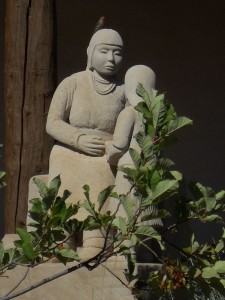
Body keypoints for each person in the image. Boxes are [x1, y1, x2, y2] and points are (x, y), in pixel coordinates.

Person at [46, 29, 126, 258]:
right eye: (104, 51)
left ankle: (95, 239)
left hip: (105, 153)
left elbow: (134, 120)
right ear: (90, 53)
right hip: (70, 150)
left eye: (117, 53)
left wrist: (115, 146)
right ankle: (62, 240)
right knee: (62, 168)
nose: (111, 59)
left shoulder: (123, 91)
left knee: (102, 171)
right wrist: (78, 139)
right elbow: (52, 122)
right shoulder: (73, 83)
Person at [106, 65, 163, 227]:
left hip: (129, 171)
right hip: (150, 172)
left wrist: (107, 150)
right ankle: (145, 252)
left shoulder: (129, 113)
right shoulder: (156, 117)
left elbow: (119, 146)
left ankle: (127, 252)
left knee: (125, 218)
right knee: (146, 221)